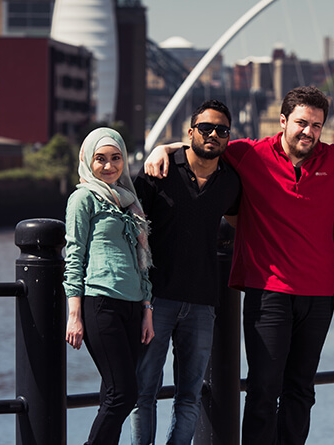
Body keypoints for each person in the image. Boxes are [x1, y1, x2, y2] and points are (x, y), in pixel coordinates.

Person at [144, 86, 334, 445]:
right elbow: (206, 145)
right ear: (283, 121)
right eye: (302, 123)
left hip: (319, 294)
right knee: (263, 390)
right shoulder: (249, 154)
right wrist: (162, 148)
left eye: (317, 125)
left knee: (302, 390)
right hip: (268, 290)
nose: (309, 131)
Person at [130, 100, 241, 445]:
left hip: (202, 303)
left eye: (221, 130)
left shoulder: (230, 182)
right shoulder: (157, 172)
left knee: (189, 396)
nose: (213, 135)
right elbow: (128, 227)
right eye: (205, 128)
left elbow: (243, 224)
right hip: (155, 300)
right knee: (143, 392)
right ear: (190, 132)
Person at [64, 127, 156, 445]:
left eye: (115, 158)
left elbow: (142, 262)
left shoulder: (130, 203)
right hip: (100, 302)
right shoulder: (83, 198)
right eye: (100, 159)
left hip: (133, 306)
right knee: (123, 394)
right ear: (88, 160)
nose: (109, 166)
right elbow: (74, 255)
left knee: (111, 394)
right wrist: (74, 314)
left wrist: (146, 309)